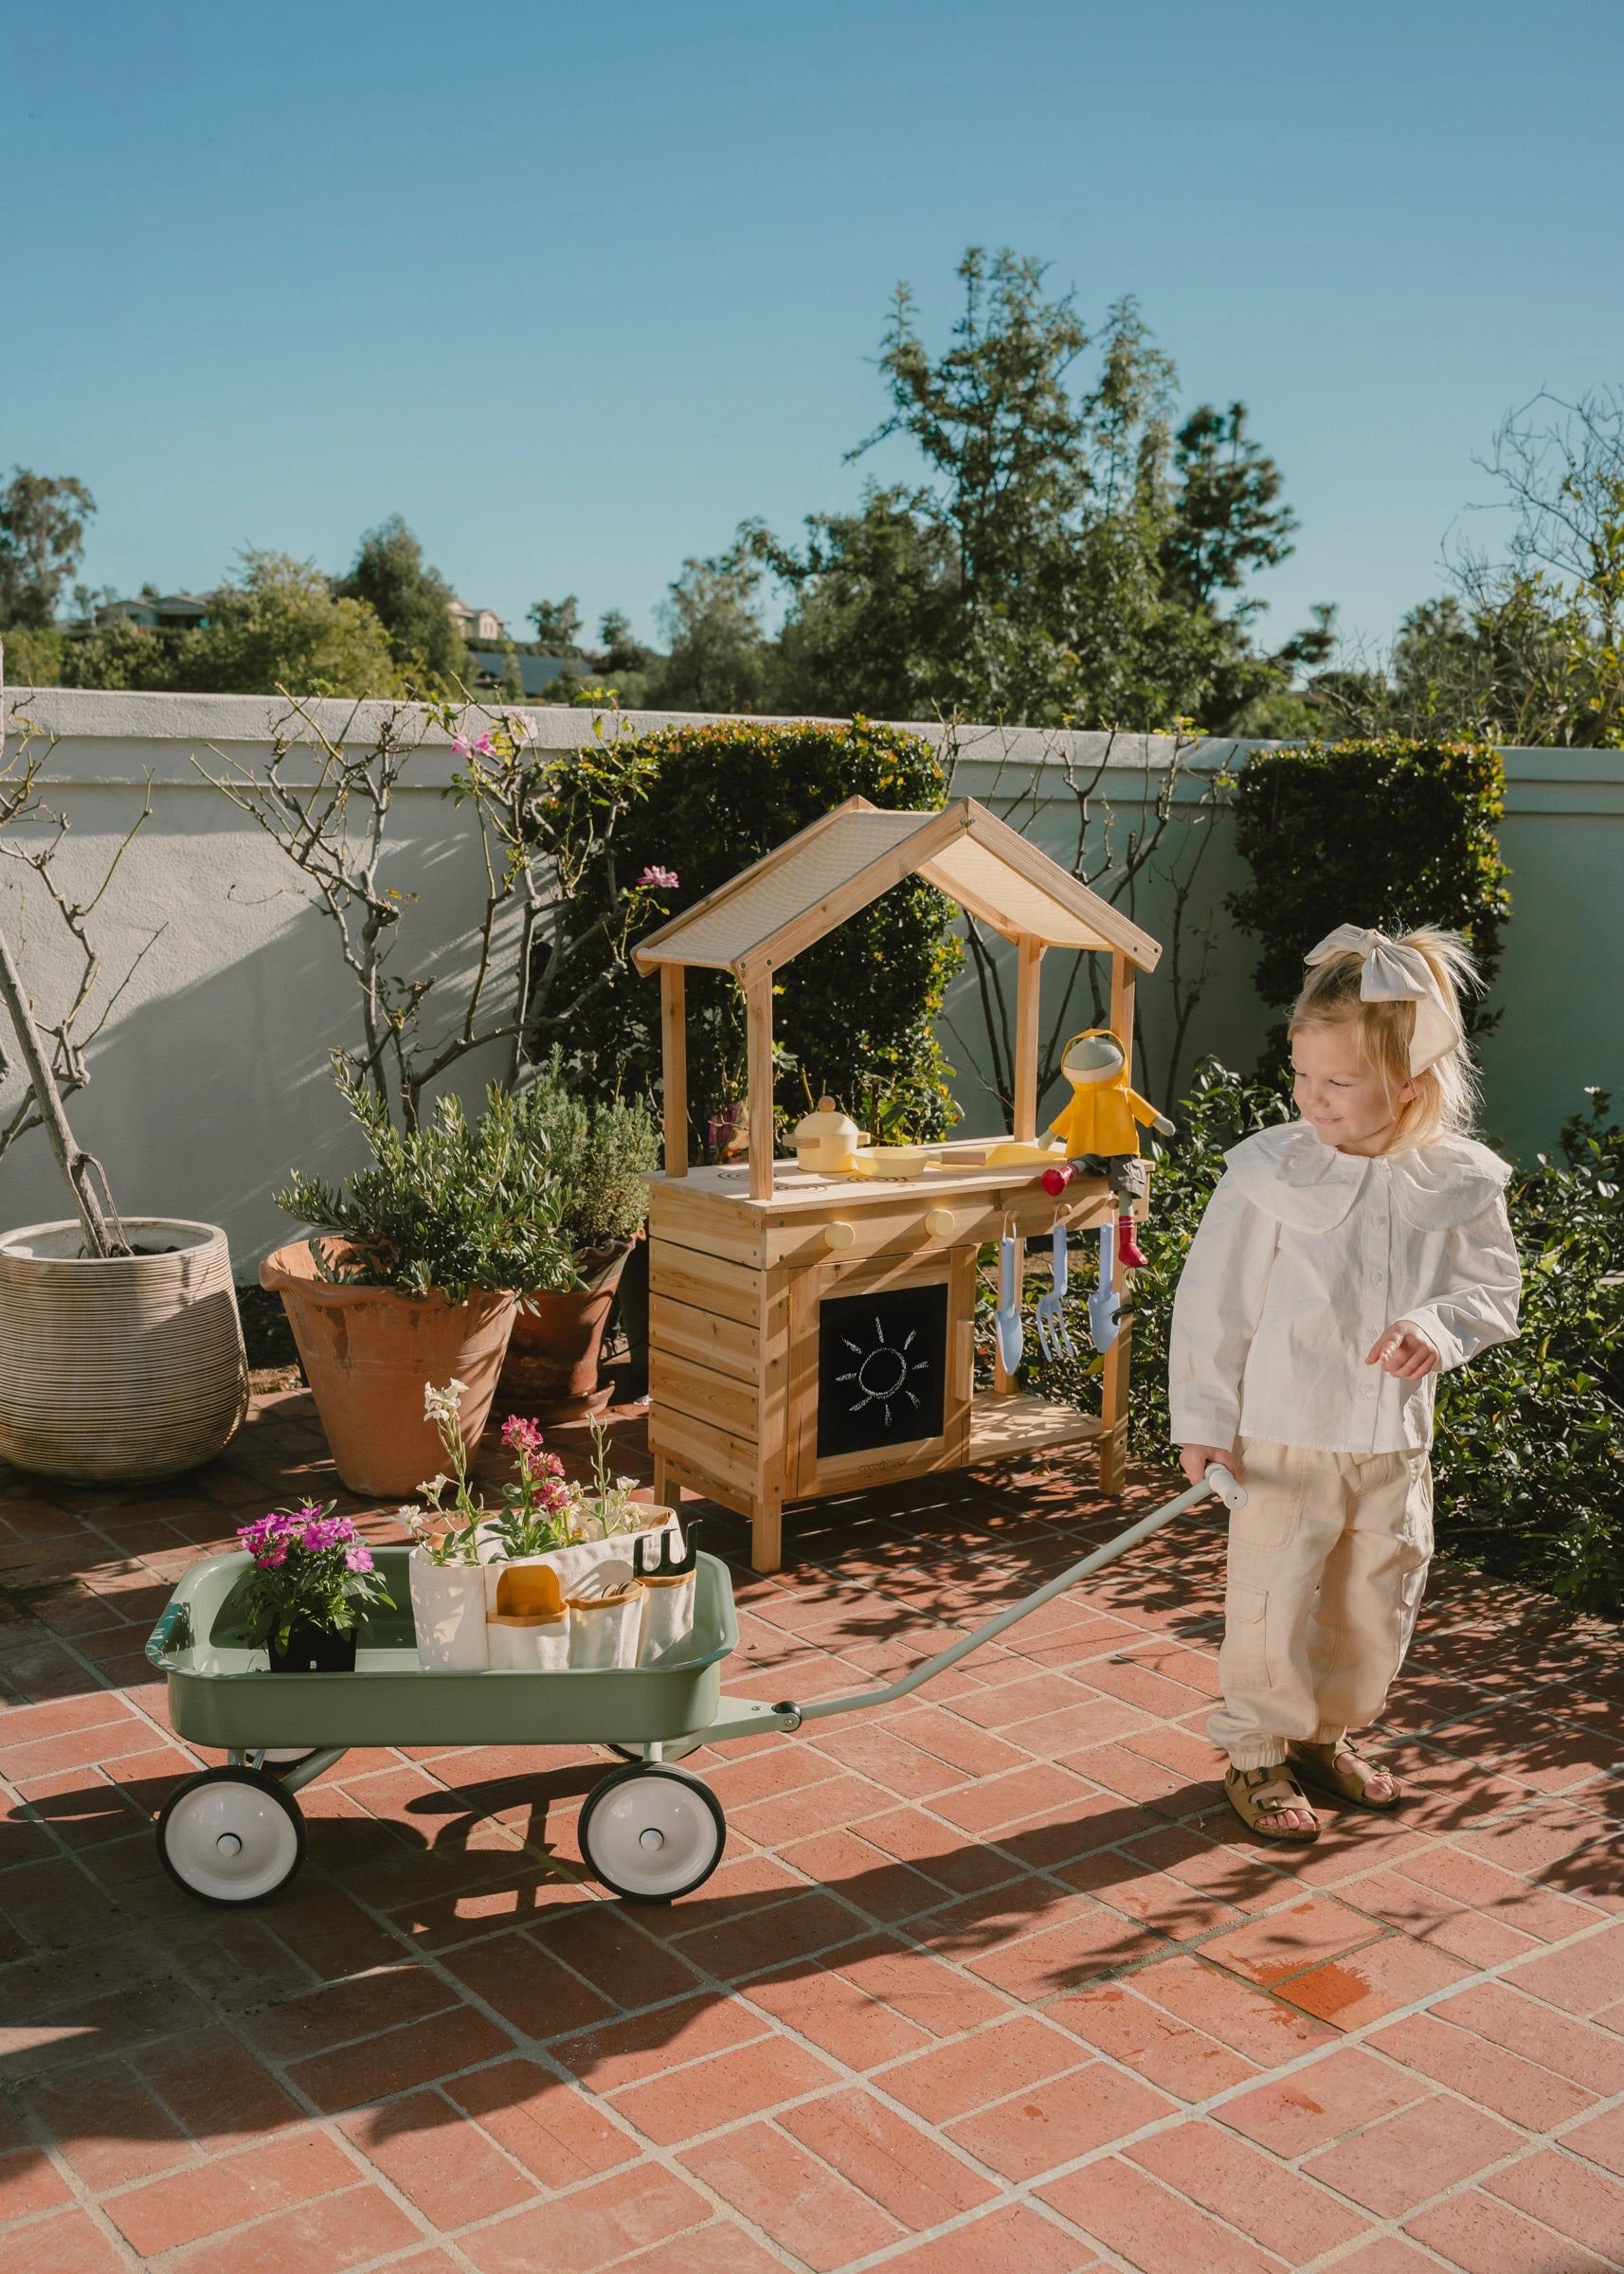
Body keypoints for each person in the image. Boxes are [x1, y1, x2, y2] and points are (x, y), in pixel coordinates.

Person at [1169, 925, 1521, 1842]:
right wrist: (1203, 1418)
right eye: (1302, 1077)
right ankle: (1256, 1747)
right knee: (1273, 1594)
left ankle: (1325, 1733)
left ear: (1408, 1082)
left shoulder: (1456, 1183)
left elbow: (1492, 1290)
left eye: (1336, 1083)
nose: (1309, 1099)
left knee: (1377, 1598)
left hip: (1394, 1444)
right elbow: (1214, 1305)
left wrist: (1437, 1327)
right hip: (1285, 1437)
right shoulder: (1269, 1175)